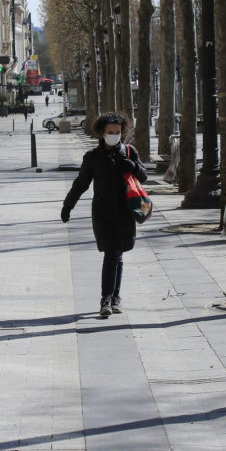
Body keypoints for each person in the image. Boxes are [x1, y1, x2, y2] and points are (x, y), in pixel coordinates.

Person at [60, 112, 147, 317]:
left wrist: (133, 166)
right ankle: (109, 297)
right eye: (110, 132)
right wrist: (67, 206)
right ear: (101, 133)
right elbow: (81, 184)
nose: (114, 135)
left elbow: (143, 176)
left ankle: (111, 298)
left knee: (116, 253)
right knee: (113, 253)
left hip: (125, 212)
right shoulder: (92, 157)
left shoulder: (129, 152)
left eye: (118, 132)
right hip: (103, 213)